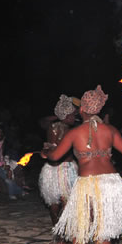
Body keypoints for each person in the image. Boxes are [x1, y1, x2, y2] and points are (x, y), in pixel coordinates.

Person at [46, 85, 122, 244]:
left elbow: (56, 156)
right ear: (99, 110)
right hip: (111, 183)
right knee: (102, 232)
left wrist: (47, 153)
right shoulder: (110, 130)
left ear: (83, 110)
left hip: (88, 184)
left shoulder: (75, 133)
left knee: (80, 231)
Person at [40, 94, 79, 225]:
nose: (75, 118)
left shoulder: (55, 126)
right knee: (62, 201)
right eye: (73, 115)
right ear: (66, 116)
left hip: (57, 168)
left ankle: (59, 229)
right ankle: (61, 229)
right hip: (62, 168)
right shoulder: (61, 128)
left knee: (57, 202)